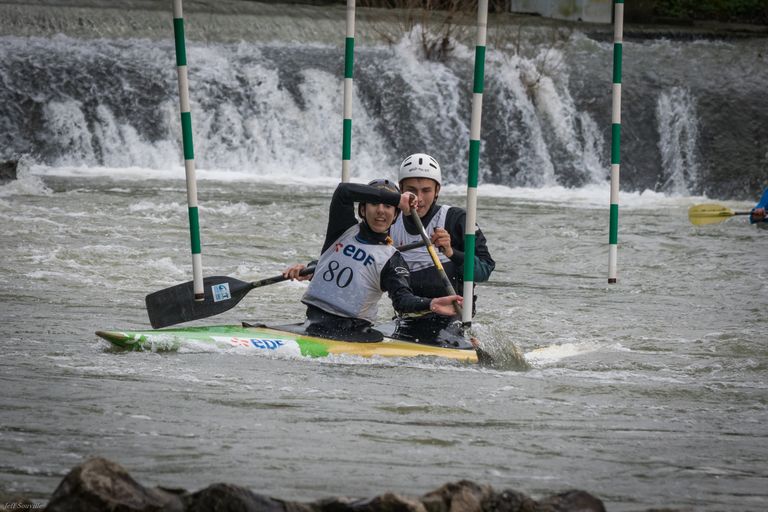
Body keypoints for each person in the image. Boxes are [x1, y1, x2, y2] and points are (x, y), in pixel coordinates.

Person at [282, 179, 461, 341]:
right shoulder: (342, 229)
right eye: (374, 203)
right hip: (312, 323)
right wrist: (314, 268)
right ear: (362, 209)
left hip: (352, 333)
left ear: (396, 215)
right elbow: (343, 191)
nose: (381, 210)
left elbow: (402, 300)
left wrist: (431, 304)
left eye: (388, 206)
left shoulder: (392, 259)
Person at [387, 153, 495, 344]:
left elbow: (484, 271)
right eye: (411, 190)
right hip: (408, 315)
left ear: (437, 190)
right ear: (401, 189)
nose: (418, 199)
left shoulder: (458, 220)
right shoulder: (388, 220)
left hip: (452, 321)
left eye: (426, 190)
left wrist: (452, 253)